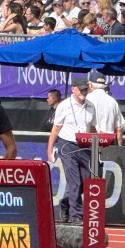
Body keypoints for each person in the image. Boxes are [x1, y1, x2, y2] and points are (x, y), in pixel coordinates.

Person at [47, 74, 97, 223]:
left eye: (85, 90)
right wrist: (50, 148)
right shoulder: (64, 106)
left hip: (84, 146)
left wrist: (97, 143)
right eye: (80, 90)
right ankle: (77, 216)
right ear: (73, 89)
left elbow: (92, 128)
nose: (83, 92)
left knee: (86, 181)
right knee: (74, 182)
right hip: (67, 145)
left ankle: (65, 203)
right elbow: (55, 129)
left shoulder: (90, 106)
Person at [86, 70, 124, 146]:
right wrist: (120, 147)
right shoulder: (112, 101)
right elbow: (119, 128)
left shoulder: (87, 99)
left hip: (90, 141)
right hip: (109, 142)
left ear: (90, 85)